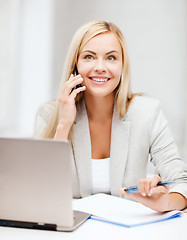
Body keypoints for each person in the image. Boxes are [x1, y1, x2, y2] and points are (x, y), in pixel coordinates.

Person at [34, 20, 187, 212]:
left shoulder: (147, 113)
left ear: (123, 66)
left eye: (111, 58)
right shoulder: (49, 115)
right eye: (89, 57)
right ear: (75, 65)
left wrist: (164, 202)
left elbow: (182, 182)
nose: (100, 67)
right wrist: (64, 124)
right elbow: (39, 191)